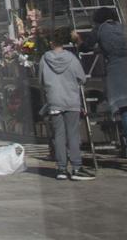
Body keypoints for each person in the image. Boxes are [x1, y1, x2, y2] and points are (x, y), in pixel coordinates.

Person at [90, 7, 127, 167]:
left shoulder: (100, 30)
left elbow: (86, 46)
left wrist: (78, 41)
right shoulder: (123, 27)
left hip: (117, 72)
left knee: (125, 110)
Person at [39, 30, 90, 181]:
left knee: (59, 135)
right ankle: (76, 168)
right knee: (73, 134)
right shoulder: (72, 58)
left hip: (54, 100)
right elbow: (82, 78)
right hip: (71, 100)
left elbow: (41, 80)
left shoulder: (44, 59)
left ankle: (61, 169)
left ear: (50, 43)